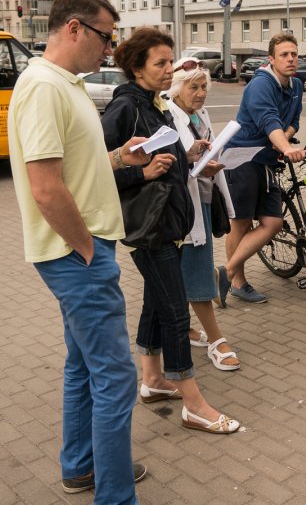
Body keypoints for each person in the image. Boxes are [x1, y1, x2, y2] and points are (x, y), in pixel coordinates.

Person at [7, 0, 150, 500]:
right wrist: (88, 249)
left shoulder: (65, 84)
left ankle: (81, 466)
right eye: (105, 37)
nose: (110, 49)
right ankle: (114, 494)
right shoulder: (44, 86)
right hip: (77, 254)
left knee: (83, 365)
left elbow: (73, 168)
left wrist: (120, 158)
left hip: (79, 250)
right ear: (74, 28)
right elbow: (46, 187)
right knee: (115, 377)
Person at [102, 28, 240, 435]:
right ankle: (194, 404)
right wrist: (140, 172)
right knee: (176, 312)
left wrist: (189, 153)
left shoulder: (154, 104)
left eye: (169, 61)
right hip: (150, 225)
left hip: (167, 221)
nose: (169, 69)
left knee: (155, 302)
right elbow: (98, 171)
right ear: (136, 66)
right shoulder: (124, 108)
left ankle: (152, 380)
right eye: (160, 63)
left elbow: (164, 152)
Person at [167, 56, 240, 371]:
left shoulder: (200, 114)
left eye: (203, 87)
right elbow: (170, 162)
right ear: (177, 87)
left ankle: (181, 327)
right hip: (183, 206)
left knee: (184, 269)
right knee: (197, 269)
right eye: (193, 87)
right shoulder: (168, 115)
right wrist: (196, 164)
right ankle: (216, 339)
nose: (200, 93)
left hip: (203, 199)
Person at [222, 34, 306, 303]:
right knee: (241, 223)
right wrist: (287, 148)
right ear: (272, 59)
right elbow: (269, 122)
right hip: (242, 158)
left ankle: (225, 272)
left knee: (273, 222)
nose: (291, 59)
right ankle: (237, 281)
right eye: (284, 54)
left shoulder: (295, 86)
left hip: (267, 159)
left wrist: (285, 142)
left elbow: (293, 122)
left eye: (294, 54)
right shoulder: (261, 85)